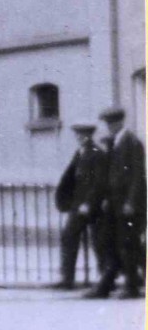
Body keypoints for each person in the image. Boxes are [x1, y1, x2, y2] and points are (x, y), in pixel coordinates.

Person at [85, 106, 146, 299]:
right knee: (109, 243)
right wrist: (105, 199)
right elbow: (109, 175)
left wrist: (131, 202)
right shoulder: (114, 143)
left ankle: (131, 287)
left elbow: (137, 176)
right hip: (113, 203)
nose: (108, 127)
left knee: (127, 245)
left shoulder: (132, 143)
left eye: (111, 123)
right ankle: (106, 285)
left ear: (119, 122)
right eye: (107, 123)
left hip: (127, 205)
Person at [53, 123, 107, 289]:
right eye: (77, 134)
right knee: (69, 237)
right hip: (78, 205)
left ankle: (104, 280)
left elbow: (99, 183)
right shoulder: (80, 153)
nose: (79, 137)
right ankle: (67, 279)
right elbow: (71, 177)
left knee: (99, 242)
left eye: (82, 135)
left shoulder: (97, 154)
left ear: (89, 136)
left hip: (91, 206)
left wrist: (88, 203)